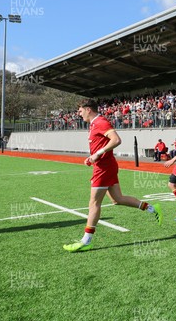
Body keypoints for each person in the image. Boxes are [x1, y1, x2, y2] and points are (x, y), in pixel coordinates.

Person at [63, 99, 162, 253]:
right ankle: (151, 208)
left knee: (94, 203)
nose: (79, 113)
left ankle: (86, 241)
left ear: (88, 109)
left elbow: (116, 140)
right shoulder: (94, 124)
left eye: (80, 110)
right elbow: (101, 145)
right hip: (105, 166)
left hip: (104, 168)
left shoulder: (100, 121)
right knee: (118, 199)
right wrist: (92, 157)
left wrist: (98, 154)